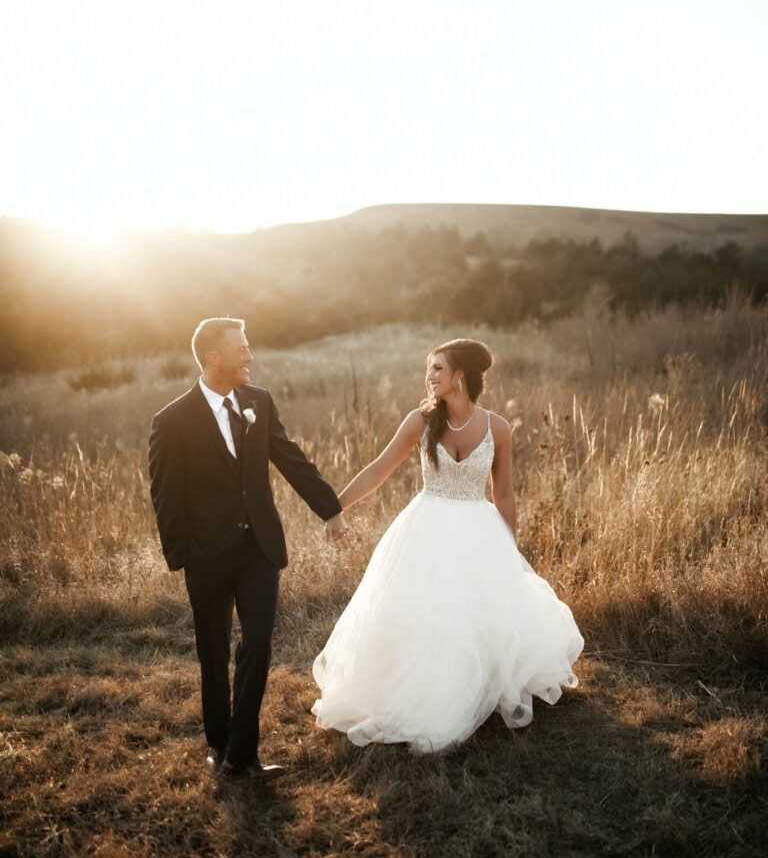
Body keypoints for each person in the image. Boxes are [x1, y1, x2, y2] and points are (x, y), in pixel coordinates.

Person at [312, 338, 584, 752]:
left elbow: (504, 495)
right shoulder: (421, 422)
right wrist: (333, 509)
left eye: (437, 368)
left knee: (474, 612)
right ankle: (423, 690)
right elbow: (378, 470)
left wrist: (509, 551)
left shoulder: (498, 428)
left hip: (478, 530)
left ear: (460, 375)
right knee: (420, 611)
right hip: (426, 527)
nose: (429, 376)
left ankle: (474, 689)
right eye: (429, 368)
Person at [148, 317, 349, 780]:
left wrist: (331, 510)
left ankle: (243, 754)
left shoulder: (260, 401)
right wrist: (184, 556)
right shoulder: (171, 421)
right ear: (213, 358)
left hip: (259, 546)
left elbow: (291, 458)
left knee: (257, 643)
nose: (250, 356)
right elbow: (166, 497)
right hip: (207, 554)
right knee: (213, 651)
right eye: (241, 349)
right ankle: (218, 745)